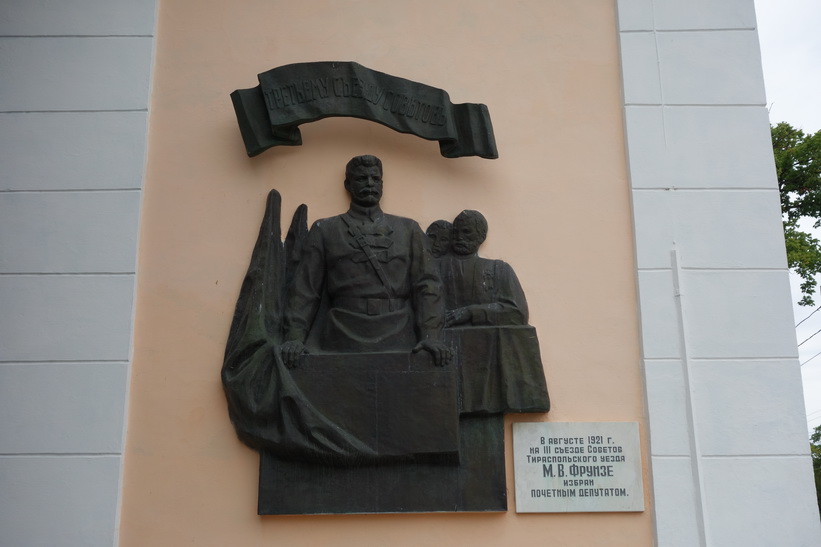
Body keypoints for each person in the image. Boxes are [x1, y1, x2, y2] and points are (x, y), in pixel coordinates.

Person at [281, 155, 451, 366]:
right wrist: (294, 337)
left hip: (399, 331)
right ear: (348, 184)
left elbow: (428, 286)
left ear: (382, 184)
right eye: (361, 178)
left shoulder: (409, 230)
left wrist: (431, 335)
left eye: (375, 178)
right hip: (341, 333)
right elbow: (305, 288)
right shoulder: (325, 229)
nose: (370, 184)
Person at [440, 210, 528, 327]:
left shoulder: (499, 269)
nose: (459, 237)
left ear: (481, 237)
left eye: (467, 232)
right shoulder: (436, 267)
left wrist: (471, 312)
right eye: (455, 232)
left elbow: (518, 313)